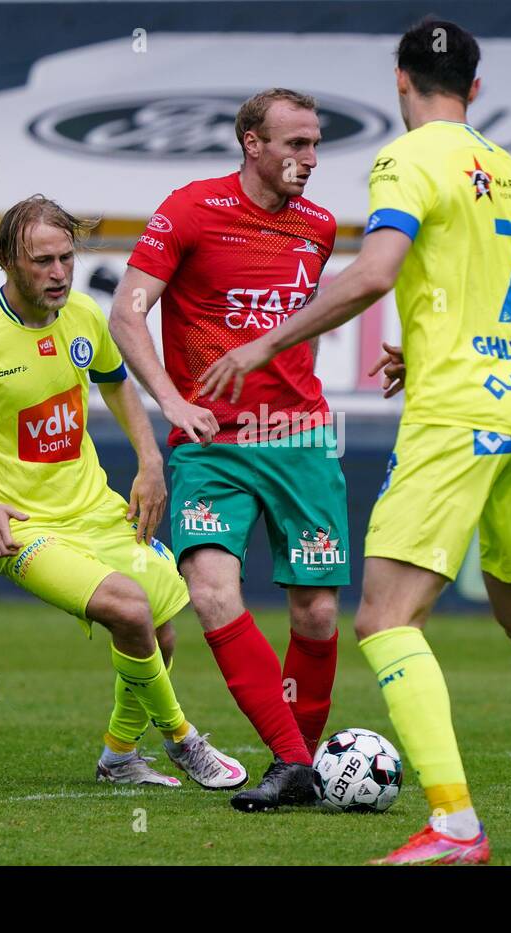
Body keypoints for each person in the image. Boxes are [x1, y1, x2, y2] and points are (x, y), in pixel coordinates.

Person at [201, 20, 511, 863]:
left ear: (399, 80)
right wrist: (436, 340)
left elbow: (373, 273)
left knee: (386, 618)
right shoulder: (509, 173)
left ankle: (454, 826)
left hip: (458, 415)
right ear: (475, 89)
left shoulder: (406, 160)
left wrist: (263, 343)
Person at [0, 194, 247, 792]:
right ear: (9, 261)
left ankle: (118, 755)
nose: (59, 273)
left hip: (95, 512)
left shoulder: (85, 316)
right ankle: (183, 738)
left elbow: (116, 384)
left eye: (66, 258)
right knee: (131, 608)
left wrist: (148, 461)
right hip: (23, 527)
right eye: (43, 261)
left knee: (159, 631)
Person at [109, 89, 346, 811]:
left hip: (300, 436)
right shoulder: (189, 210)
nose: (308, 159)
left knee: (316, 616)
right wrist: (173, 404)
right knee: (212, 594)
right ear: (251, 142)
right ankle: (294, 761)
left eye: (314, 144)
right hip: (210, 444)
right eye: (293, 145)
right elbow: (126, 313)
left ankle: (297, 774)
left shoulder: (320, 228)